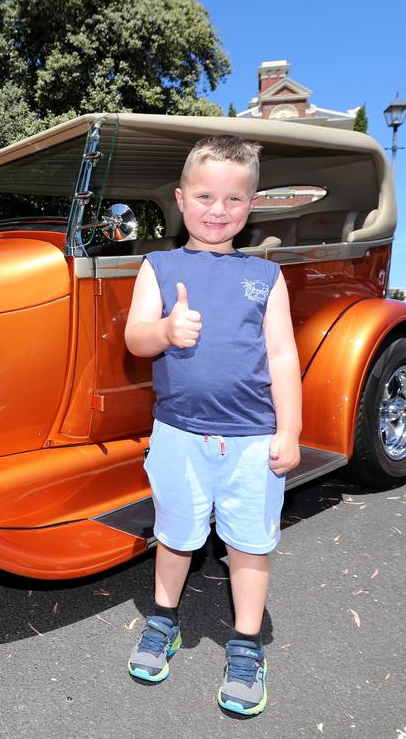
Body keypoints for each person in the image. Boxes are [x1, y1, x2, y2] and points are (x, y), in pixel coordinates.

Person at [123, 135, 302, 716]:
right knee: (175, 535)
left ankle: (247, 644)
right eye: (205, 195)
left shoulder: (266, 277)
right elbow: (135, 338)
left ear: (250, 206)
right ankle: (163, 620)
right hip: (178, 434)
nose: (217, 209)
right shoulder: (159, 265)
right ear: (181, 199)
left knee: (249, 545)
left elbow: (281, 357)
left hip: (253, 439)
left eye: (233, 198)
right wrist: (168, 331)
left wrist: (291, 431)